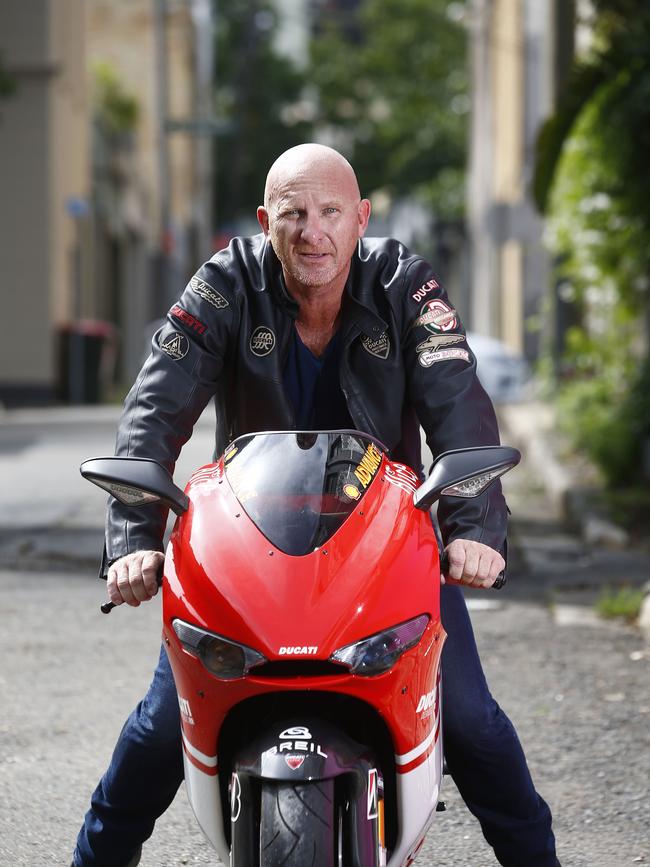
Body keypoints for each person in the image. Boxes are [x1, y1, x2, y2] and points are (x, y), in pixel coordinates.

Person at [72, 143, 560, 867]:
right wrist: (135, 538)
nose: (313, 231)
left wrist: (474, 529)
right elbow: (154, 409)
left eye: (331, 211)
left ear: (361, 218)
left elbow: (460, 404)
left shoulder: (405, 283)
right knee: (153, 735)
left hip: (385, 553)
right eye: (294, 213)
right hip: (247, 556)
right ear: (267, 220)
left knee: (475, 726)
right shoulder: (225, 282)